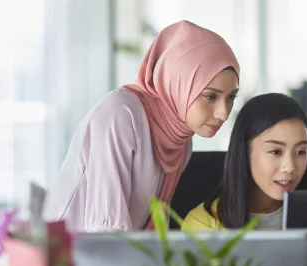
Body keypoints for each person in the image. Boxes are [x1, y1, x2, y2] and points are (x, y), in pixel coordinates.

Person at [43, 20, 240, 232]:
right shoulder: (120, 113)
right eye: (211, 96)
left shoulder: (180, 140)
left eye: (231, 97)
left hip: (115, 257)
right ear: (179, 84)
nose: (224, 113)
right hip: (64, 257)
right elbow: (106, 228)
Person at [182, 93, 307, 230]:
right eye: (275, 151)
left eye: (300, 152)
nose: (290, 167)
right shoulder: (203, 224)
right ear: (244, 151)